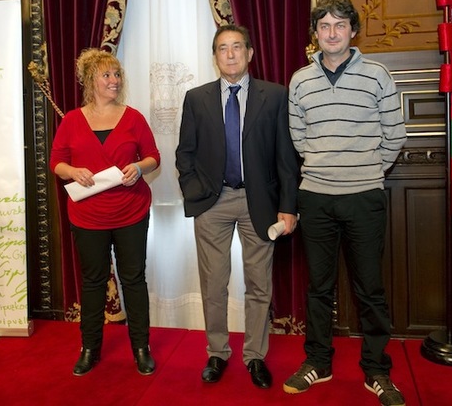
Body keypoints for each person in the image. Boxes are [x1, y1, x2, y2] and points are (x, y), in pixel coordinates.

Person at [283, 0, 407, 406]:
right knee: (319, 287)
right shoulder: (300, 80)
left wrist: (367, 171)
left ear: (352, 31)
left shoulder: (377, 75)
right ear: (315, 34)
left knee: (369, 288)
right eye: (324, 26)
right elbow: (299, 138)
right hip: (315, 197)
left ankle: (376, 370)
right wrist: (325, 167)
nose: (331, 33)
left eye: (340, 25)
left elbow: (395, 135)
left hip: (364, 197)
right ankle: (318, 362)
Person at [176, 25, 299, 389]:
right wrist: (195, 192)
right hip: (212, 203)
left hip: (258, 202)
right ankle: (217, 352)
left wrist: (288, 205)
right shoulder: (196, 98)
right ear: (214, 57)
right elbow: (186, 153)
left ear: (250, 53)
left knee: (259, 284)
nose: (230, 54)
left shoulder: (275, 96)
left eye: (236, 47)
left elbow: (286, 156)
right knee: (214, 283)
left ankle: (255, 356)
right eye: (222, 49)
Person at [50, 48, 161, 377]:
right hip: (88, 218)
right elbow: (56, 163)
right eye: (107, 75)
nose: (114, 81)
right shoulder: (71, 120)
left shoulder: (134, 117)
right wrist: (72, 172)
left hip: (131, 212)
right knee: (94, 283)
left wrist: (139, 169)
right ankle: (89, 349)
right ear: (90, 81)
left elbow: (153, 156)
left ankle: (142, 349)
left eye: (117, 75)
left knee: (134, 281)